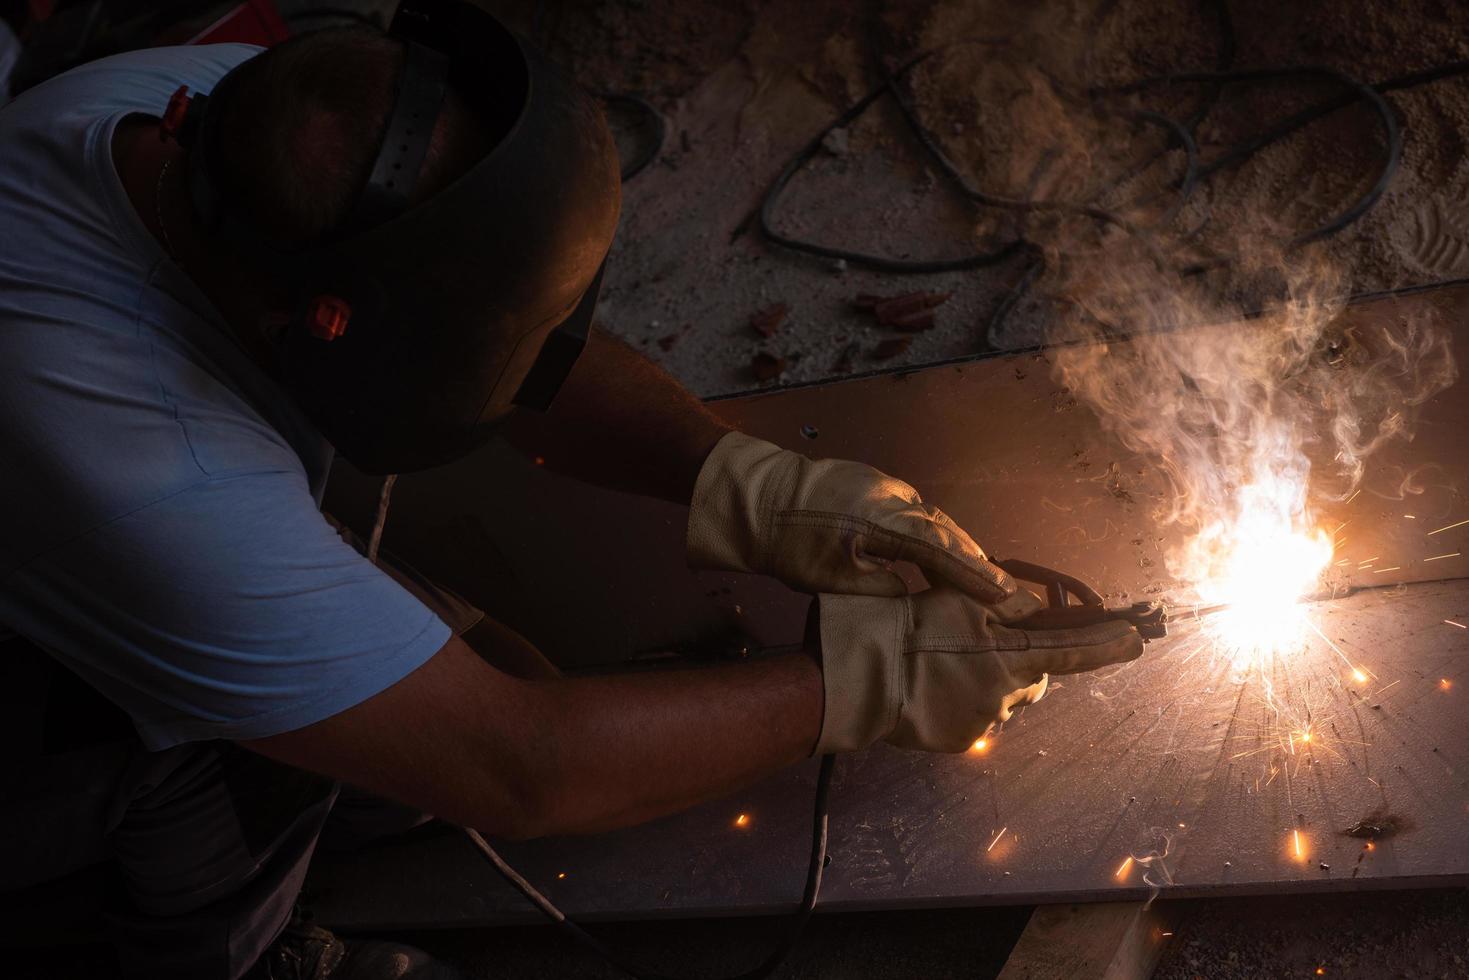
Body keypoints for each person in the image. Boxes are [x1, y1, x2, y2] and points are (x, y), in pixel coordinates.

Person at [0, 7, 1143, 979]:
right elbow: (520, 765)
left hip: (77, 539)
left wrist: (749, 481)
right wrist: (857, 684)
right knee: (240, 790)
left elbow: (511, 353)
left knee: (507, 677)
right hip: (42, 707)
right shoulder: (154, 482)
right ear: (329, 325)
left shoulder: (240, 121)